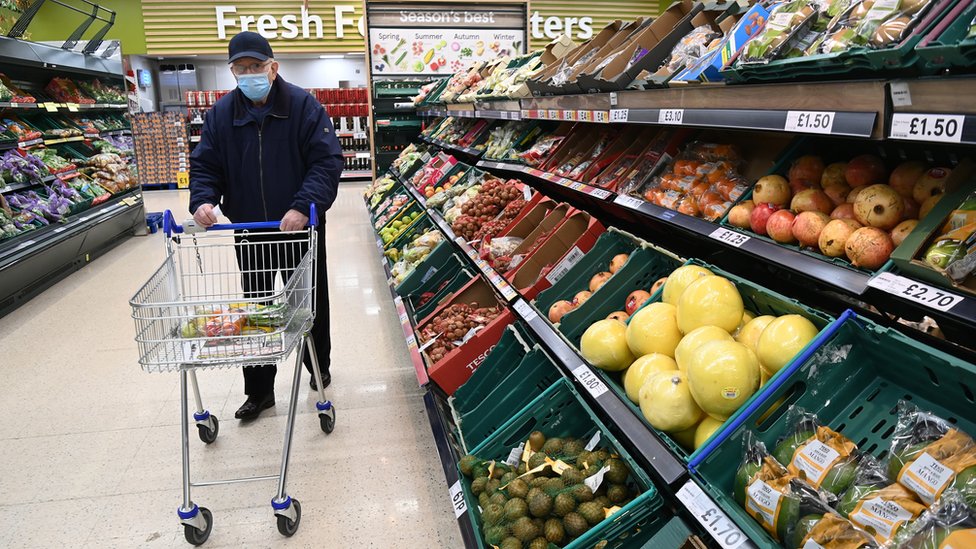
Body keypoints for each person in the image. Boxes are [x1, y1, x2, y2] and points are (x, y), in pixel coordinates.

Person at [189, 31, 343, 420]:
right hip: (251, 229)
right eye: (241, 69)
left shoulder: (304, 107)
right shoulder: (222, 115)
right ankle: (259, 391)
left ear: (273, 68)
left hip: (298, 228)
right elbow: (206, 165)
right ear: (232, 72)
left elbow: (326, 162)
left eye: (256, 67)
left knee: (307, 305)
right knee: (255, 311)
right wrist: (203, 200)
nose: (249, 74)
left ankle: (318, 367)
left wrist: (301, 206)